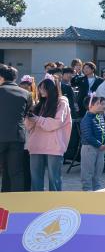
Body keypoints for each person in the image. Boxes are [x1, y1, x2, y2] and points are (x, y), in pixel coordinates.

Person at [26, 78, 71, 191]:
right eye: (40, 88)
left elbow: (56, 123)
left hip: (53, 146)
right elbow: (28, 127)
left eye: (44, 88)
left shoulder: (61, 103)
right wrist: (28, 117)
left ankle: (55, 201)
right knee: (35, 179)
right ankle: (38, 201)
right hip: (36, 145)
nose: (41, 91)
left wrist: (37, 119)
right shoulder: (39, 104)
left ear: (52, 89)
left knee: (54, 179)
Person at [0, 64, 32, 192]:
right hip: (17, 137)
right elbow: (25, 113)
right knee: (16, 171)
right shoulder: (26, 93)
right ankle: (15, 200)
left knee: (5, 170)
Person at [79, 96, 105, 191]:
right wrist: (99, 145)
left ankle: (97, 189)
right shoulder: (86, 119)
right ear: (90, 106)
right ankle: (87, 190)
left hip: (101, 148)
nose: (100, 105)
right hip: (89, 148)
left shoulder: (99, 117)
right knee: (88, 171)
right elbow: (88, 136)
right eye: (97, 104)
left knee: (98, 171)